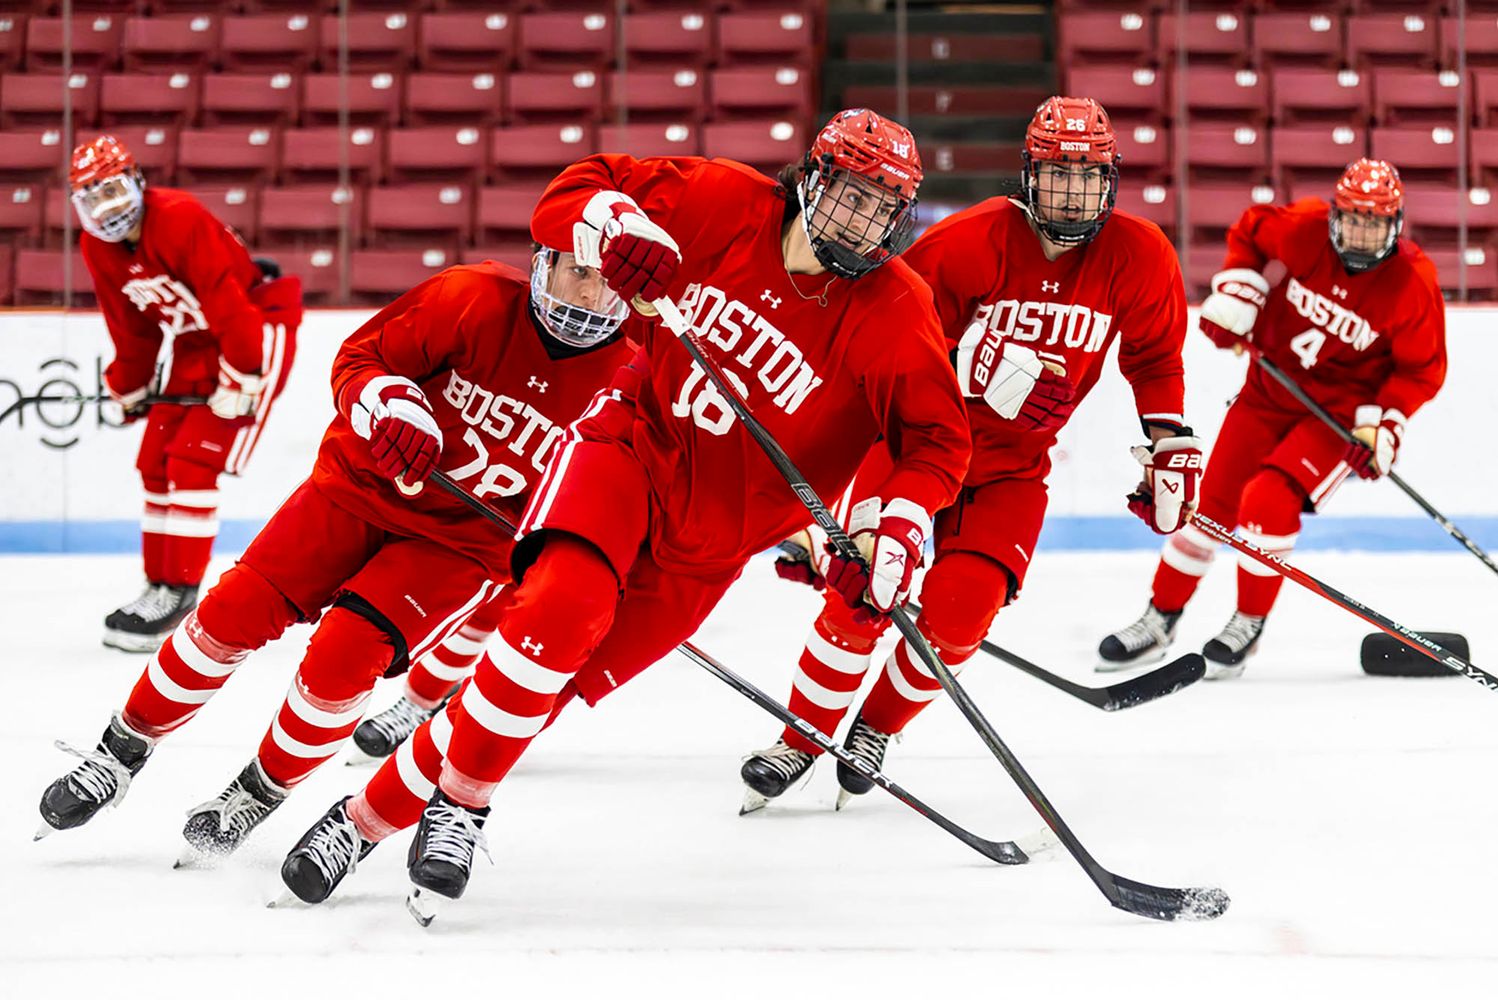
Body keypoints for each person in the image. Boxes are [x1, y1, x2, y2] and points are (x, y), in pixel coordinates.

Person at [279, 108, 972, 920]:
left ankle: (363, 817)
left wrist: (896, 525)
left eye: (882, 207)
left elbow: (935, 443)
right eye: (850, 194)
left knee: (536, 693)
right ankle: (453, 811)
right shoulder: (721, 202)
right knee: (552, 622)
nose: (862, 220)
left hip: (708, 550)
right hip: (626, 453)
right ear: (811, 178)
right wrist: (612, 223)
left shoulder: (895, 311)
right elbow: (572, 193)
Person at [35, 237, 636, 857]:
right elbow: (362, 358)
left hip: (458, 544)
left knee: (343, 662)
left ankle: (257, 793)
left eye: (607, 281)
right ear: (546, 263)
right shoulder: (471, 297)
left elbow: (620, 489)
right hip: (354, 488)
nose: (590, 294)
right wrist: (390, 401)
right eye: (578, 273)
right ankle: (118, 753)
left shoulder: (631, 377)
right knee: (229, 613)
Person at [739, 96, 1198, 811]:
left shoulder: (1140, 257)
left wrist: (1169, 444)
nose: (1072, 193)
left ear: (1110, 180)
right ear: (1028, 175)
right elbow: (879, 345)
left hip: (1012, 470)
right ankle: (799, 740)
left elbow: (1155, 358)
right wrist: (979, 363)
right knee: (863, 594)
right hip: (914, 448)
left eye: (1087, 176)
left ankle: (875, 729)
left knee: (962, 615)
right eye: (1057, 174)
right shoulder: (964, 243)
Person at [1097, 158, 1446, 679]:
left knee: (1268, 499)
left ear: (1395, 225)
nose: (1362, 231)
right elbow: (1249, 232)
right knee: (1210, 506)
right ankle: (1160, 617)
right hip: (1268, 389)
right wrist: (1242, 294)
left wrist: (1384, 425)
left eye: (1375, 222)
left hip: (1334, 419)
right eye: (1354, 218)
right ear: (1335, 215)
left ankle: (1247, 623)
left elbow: (1421, 370)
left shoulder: (1412, 281)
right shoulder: (1302, 228)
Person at [70, 134, 302, 652]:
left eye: (113, 192)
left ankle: (181, 595)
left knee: (192, 463)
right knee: (155, 460)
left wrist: (243, 376)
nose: (106, 210)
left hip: (255, 329)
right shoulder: (96, 247)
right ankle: (158, 586)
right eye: (92, 198)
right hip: (197, 341)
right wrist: (127, 386)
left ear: (138, 181)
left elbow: (229, 300)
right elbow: (133, 329)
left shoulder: (178, 217)